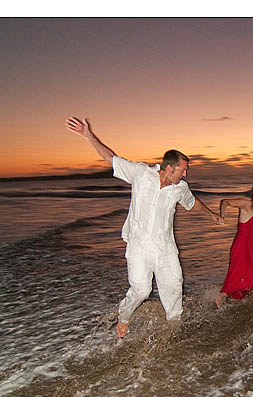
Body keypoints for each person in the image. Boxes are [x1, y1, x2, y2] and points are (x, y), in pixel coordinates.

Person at [65, 117, 222, 337]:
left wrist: (211, 214)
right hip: (139, 247)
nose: (185, 175)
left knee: (174, 286)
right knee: (141, 290)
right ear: (169, 168)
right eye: (183, 170)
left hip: (166, 248)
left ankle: (173, 330)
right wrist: (88, 135)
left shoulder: (180, 188)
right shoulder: (141, 174)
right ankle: (124, 317)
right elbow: (112, 158)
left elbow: (192, 202)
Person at [215, 183, 253, 308]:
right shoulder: (247, 204)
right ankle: (221, 297)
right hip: (242, 245)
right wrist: (222, 216)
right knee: (238, 273)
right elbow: (225, 201)